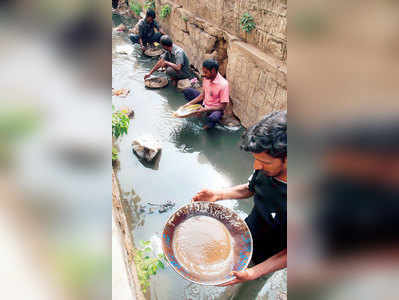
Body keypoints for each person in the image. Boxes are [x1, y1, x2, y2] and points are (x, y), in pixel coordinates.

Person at [192, 111, 287, 285]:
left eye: (264, 162)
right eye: (256, 160)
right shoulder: (264, 168)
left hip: (270, 256)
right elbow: (251, 188)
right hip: (246, 232)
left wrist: (254, 273)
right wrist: (218, 194)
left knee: (251, 283)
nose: (257, 166)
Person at [183, 59, 229, 129]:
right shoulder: (206, 78)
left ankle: (209, 125)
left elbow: (222, 107)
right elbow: (202, 95)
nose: (204, 74)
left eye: (206, 72)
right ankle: (198, 110)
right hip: (205, 103)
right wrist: (189, 104)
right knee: (187, 91)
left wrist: (205, 109)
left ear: (213, 71)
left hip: (215, 109)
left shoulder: (224, 84)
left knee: (213, 118)